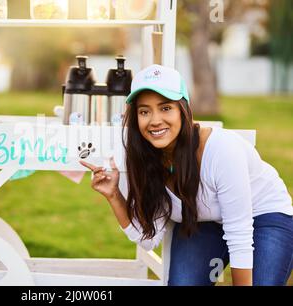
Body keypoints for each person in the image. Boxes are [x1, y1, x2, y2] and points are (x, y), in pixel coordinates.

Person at [80, 64, 293, 286]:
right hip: (203, 221)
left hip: (264, 216)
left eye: (165, 108)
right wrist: (113, 195)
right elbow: (148, 238)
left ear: (183, 109)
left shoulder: (222, 150)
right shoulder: (146, 158)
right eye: (144, 111)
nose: (154, 120)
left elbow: (239, 235)